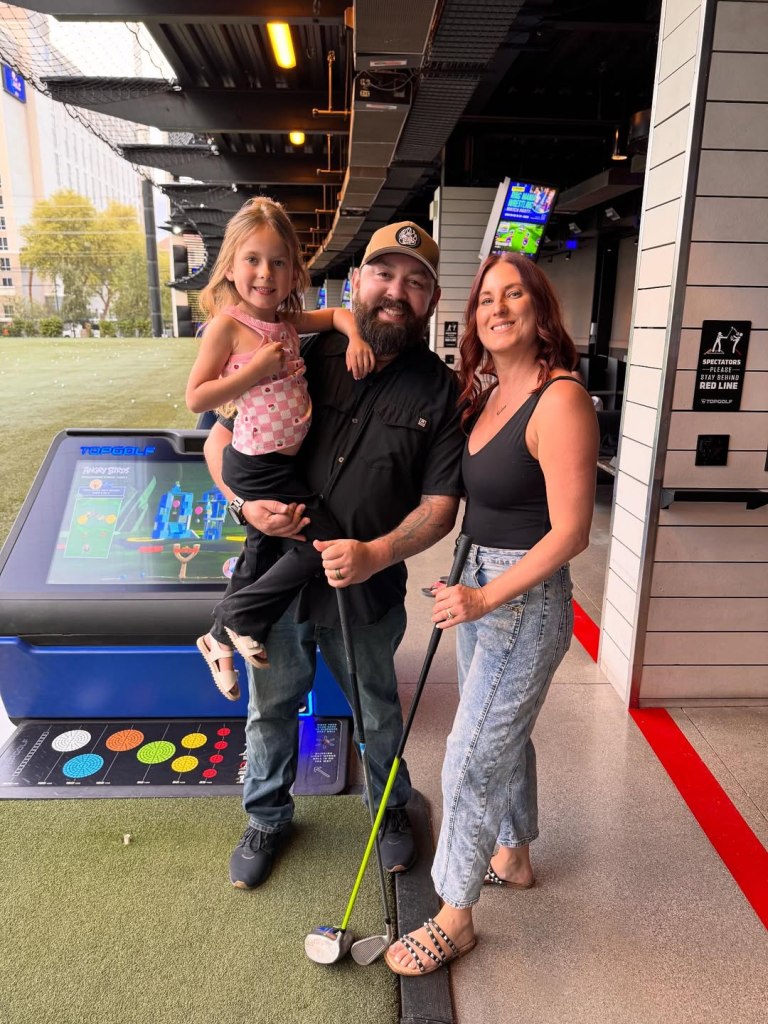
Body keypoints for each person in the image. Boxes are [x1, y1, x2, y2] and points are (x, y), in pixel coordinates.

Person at [203, 221, 465, 888]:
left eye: (415, 281)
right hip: (279, 577)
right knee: (270, 707)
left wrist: (378, 552)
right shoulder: (296, 348)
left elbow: (439, 507)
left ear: (432, 300)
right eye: (384, 273)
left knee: (378, 710)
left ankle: (391, 812)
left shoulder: (441, 391)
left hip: (366, 591)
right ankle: (265, 816)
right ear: (358, 282)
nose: (395, 291)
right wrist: (244, 504)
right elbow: (219, 442)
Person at [385, 252, 598, 976]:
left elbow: (571, 532)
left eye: (514, 296)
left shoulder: (560, 398)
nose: (497, 308)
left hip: (522, 600)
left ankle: (453, 914)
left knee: (470, 752)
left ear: (541, 312)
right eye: (485, 300)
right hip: (474, 582)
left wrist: (484, 596)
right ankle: (514, 853)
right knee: (502, 732)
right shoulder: (485, 394)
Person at [185, 197, 374, 701]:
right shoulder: (228, 326)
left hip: (276, 464)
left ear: (294, 271)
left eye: (278, 262)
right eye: (252, 259)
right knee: (320, 545)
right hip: (257, 465)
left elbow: (336, 313)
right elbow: (196, 397)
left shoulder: (287, 325)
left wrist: (355, 335)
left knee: (260, 551)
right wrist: (254, 371)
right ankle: (238, 618)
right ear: (229, 265)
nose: (264, 273)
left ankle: (218, 638)